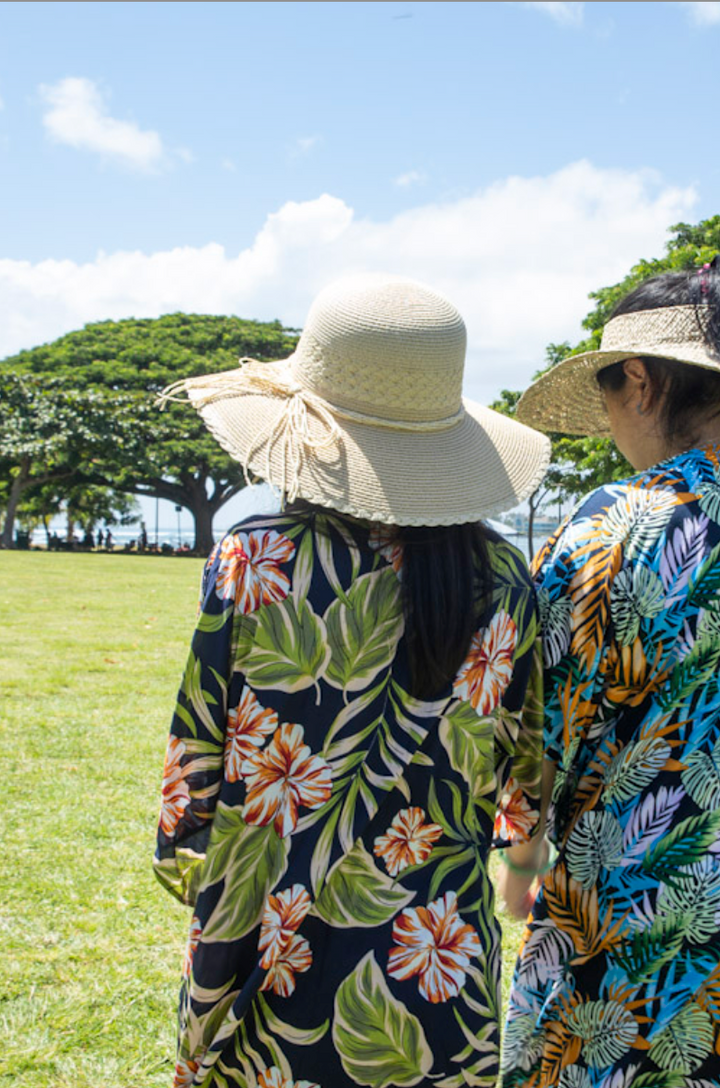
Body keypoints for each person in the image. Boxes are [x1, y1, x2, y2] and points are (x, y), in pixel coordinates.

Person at [153, 276, 551, 1088]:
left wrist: (198, 865)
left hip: (267, 939)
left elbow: (194, 759)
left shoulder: (252, 558)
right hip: (440, 956)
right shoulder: (505, 576)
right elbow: (528, 766)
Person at [500, 258, 720, 1086]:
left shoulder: (610, 526)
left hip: (625, 928)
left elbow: (533, 732)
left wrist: (522, 862)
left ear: (638, 379)